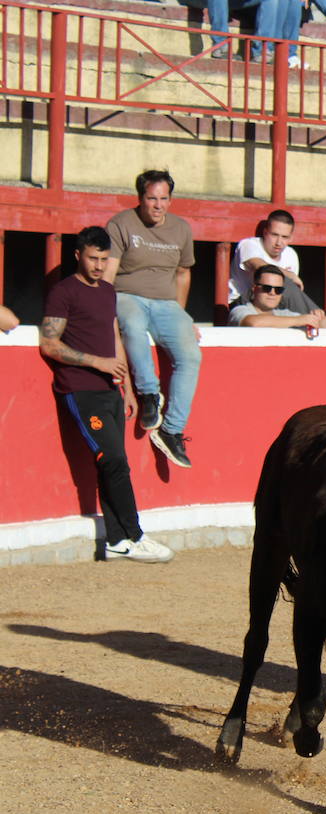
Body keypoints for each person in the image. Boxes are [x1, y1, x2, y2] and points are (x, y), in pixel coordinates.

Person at [39, 226, 174, 564]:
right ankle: (136, 535)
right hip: (80, 389)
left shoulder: (107, 292)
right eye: (92, 259)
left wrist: (125, 388)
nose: (99, 266)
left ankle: (116, 541)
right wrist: (97, 362)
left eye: (103, 259)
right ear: (78, 256)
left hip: (110, 390)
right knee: (113, 460)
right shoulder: (63, 292)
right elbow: (49, 343)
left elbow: (114, 337)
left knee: (113, 464)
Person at [104, 169, 199, 471]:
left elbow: (183, 273)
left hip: (166, 303)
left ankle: (172, 430)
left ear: (170, 199)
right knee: (132, 326)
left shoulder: (181, 229)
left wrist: (181, 313)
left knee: (191, 356)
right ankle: (148, 394)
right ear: (140, 198)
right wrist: (101, 306)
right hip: (127, 295)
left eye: (164, 199)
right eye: (152, 199)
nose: (158, 205)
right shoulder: (120, 223)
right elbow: (109, 273)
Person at [229, 209, 319, 315]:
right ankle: (316, 318)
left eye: (284, 237)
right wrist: (289, 275)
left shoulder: (291, 255)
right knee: (283, 282)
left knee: (284, 288)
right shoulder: (249, 244)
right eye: (274, 235)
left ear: (291, 238)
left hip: (273, 304)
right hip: (243, 302)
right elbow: (260, 267)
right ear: (265, 233)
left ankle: (313, 317)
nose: (278, 242)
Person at [228, 265, 326, 335]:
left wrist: (319, 317)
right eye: (267, 288)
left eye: (278, 290)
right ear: (254, 289)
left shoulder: (285, 314)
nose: (272, 293)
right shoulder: (240, 310)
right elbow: (253, 323)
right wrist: (299, 320)